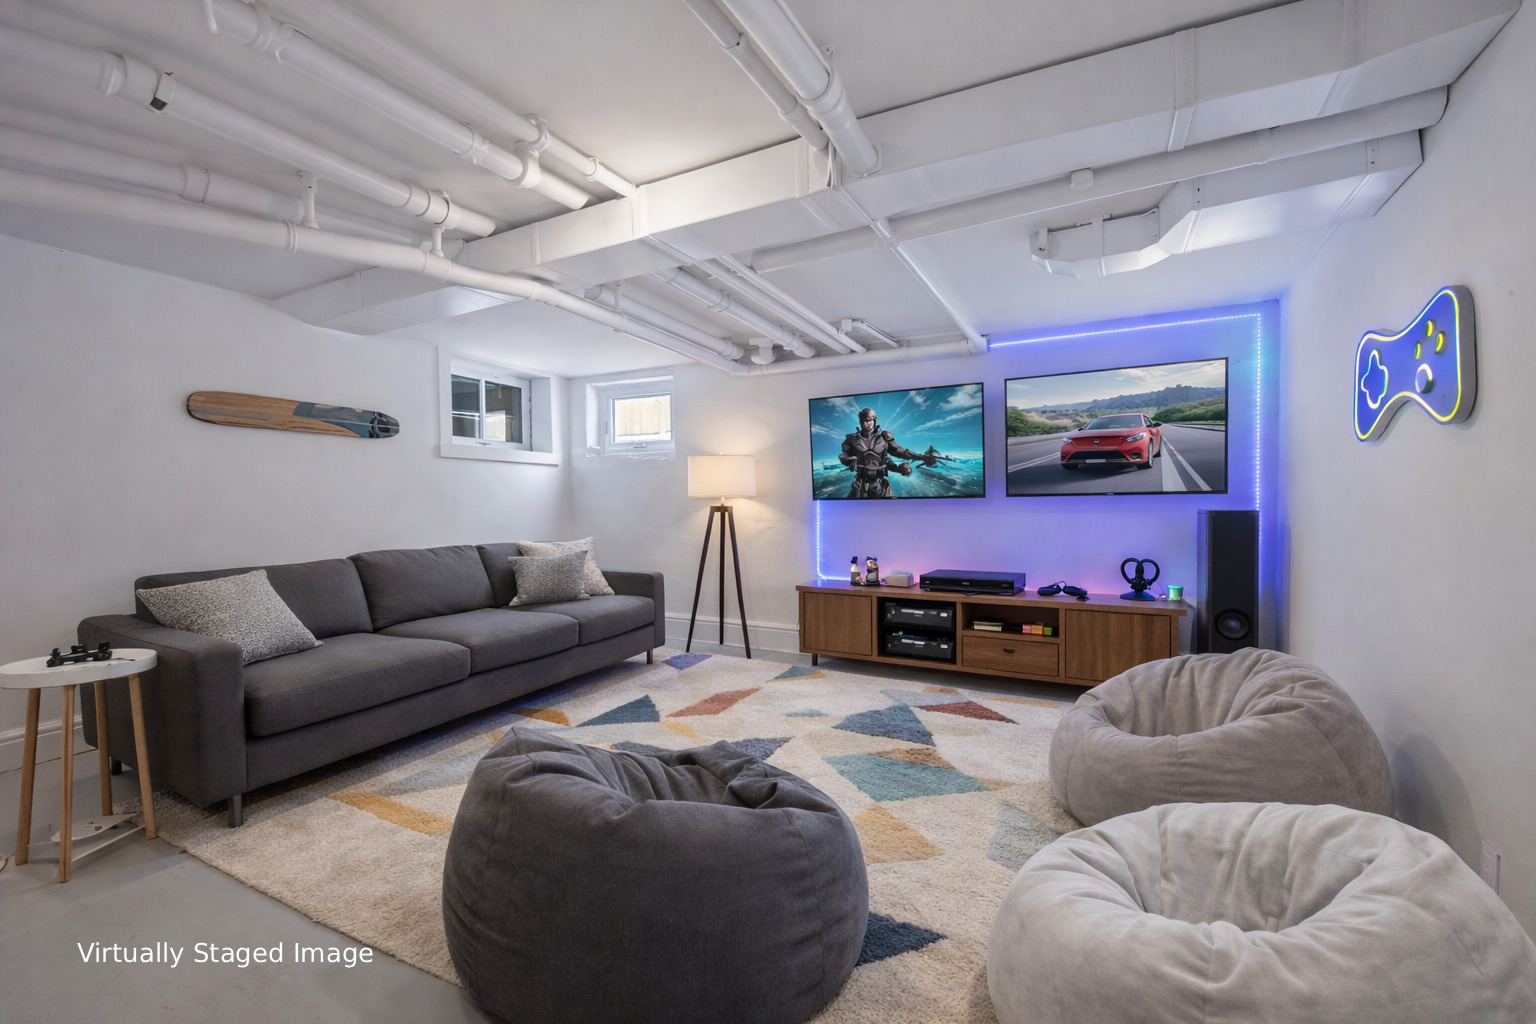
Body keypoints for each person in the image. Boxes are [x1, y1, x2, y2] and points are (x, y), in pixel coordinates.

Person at [838, 407, 940, 498]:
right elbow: (844, 454)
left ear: (874, 421)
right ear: (860, 422)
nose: (866, 424)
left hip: (881, 483)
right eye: (864, 421)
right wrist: (848, 460)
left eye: (869, 421)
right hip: (860, 483)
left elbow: (901, 452)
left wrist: (922, 457)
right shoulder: (853, 439)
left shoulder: (884, 437)